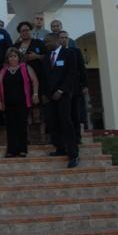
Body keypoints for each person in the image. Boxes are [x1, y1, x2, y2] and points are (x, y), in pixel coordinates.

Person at [43, 33, 79, 168]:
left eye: (47, 41)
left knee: (66, 122)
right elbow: (44, 77)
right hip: (50, 97)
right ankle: (60, 148)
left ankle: (73, 154)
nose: (45, 44)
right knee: (53, 122)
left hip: (63, 95)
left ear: (56, 40)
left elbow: (72, 74)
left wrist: (61, 90)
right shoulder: (47, 57)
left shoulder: (69, 54)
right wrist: (45, 94)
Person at [59, 30, 88, 145]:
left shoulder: (76, 51)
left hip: (75, 89)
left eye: (66, 37)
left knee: (75, 114)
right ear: (58, 39)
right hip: (61, 90)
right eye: (61, 37)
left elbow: (82, 69)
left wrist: (85, 84)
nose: (64, 39)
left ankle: (77, 137)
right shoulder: (55, 53)